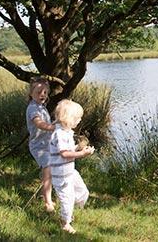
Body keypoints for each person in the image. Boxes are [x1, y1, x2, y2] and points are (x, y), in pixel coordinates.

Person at [49, 99, 95, 234]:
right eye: (77, 118)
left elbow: (67, 149)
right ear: (68, 118)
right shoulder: (60, 134)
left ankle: (67, 211)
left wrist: (79, 148)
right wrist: (82, 153)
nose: (79, 120)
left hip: (69, 171)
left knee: (82, 192)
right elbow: (64, 154)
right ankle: (65, 222)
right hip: (61, 174)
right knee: (67, 198)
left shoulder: (67, 131)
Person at [26, 77, 55, 212]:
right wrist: (52, 127)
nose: (42, 95)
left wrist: (57, 124)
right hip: (38, 146)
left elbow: (47, 124)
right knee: (48, 169)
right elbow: (38, 123)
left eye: (45, 92)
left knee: (51, 169)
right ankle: (48, 202)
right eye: (38, 92)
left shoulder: (42, 107)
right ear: (31, 94)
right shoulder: (33, 108)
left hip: (47, 145)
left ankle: (45, 194)